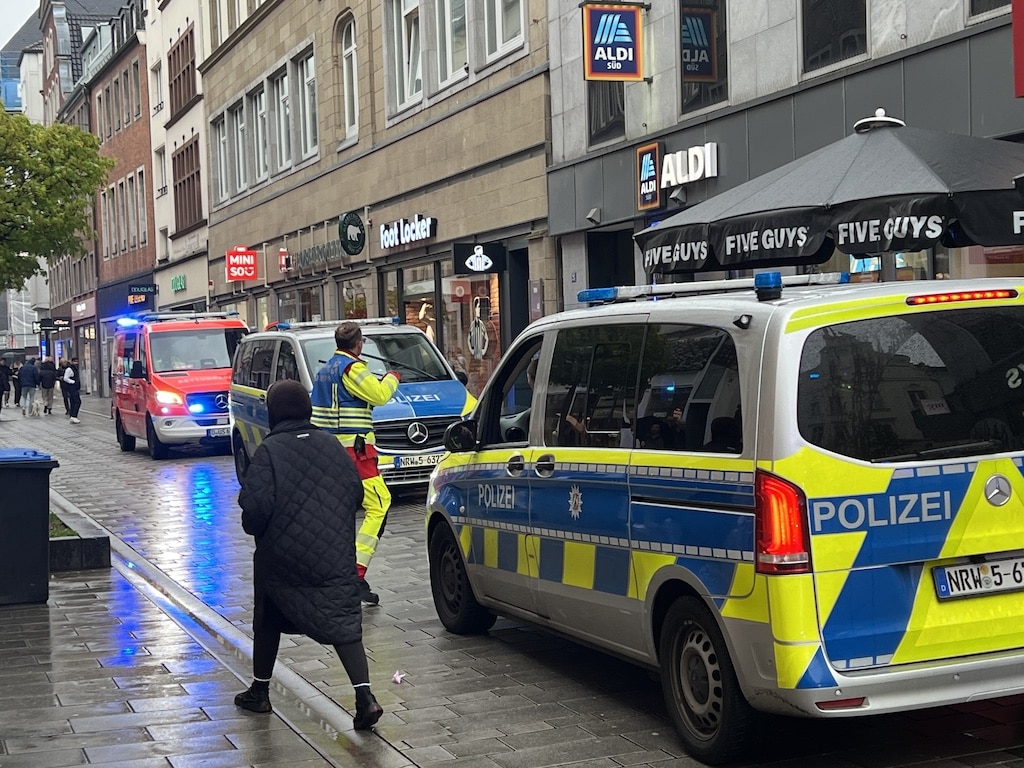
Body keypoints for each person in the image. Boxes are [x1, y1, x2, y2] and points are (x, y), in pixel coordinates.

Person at [235, 380, 383, 730]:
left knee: (268, 617)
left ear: (273, 413)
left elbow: (255, 512)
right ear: (308, 409)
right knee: (344, 620)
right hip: (333, 557)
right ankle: (365, 697)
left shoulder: (269, 452)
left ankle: (260, 692)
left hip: (282, 561)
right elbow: (355, 492)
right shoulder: (331, 445)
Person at [311, 322, 401, 606]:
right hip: (357, 454)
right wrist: (393, 377)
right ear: (359, 343)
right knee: (379, 504)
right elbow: (380, 395)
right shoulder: (352, 368)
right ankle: (356, 574)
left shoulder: (324, 371)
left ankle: (335, 575)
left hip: (329, 453)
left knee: (339, 514)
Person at [63, 356, 82, 424]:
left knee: (73, 401)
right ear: (72, 362)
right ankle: (74, 416)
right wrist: (72, 382)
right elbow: (65, 378)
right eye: (75, 361)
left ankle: (72, 416)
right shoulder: (69, 369)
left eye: (77, 361)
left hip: (75, 387)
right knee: (77, 401)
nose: (76, 363)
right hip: (72, 387)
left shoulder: (75, 369)